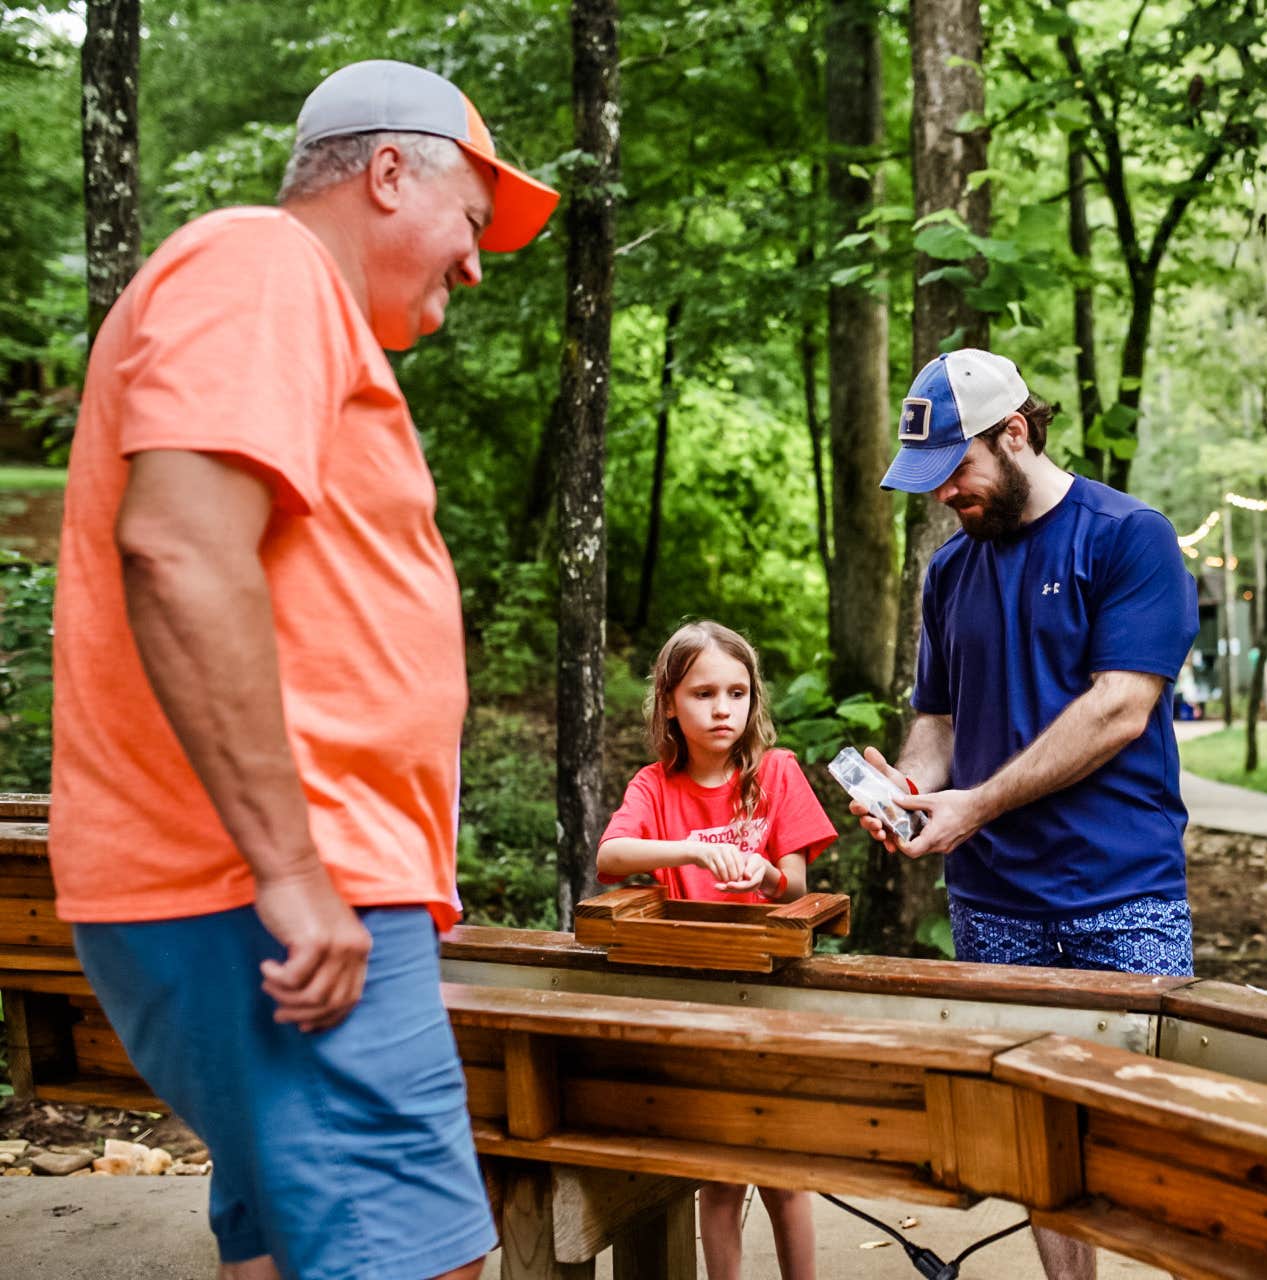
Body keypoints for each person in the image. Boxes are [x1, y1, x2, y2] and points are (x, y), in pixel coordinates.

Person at [48, 60, 556, 1280]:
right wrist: (293, 870)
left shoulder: (296, 311)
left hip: (284, 875)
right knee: (427, 1258)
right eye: (473, 224)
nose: (480, 265)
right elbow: (176, 543)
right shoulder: (262, 264)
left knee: (282, 1251)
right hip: (274, 876)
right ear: (388, 172)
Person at [853, 349, 1199, 1280]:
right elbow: (939, 717)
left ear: (1015, 434)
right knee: (1038, 1141)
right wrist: (916, 796)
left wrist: (978, 802)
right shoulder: (949, 571)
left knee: (1150, 1131)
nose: (944, 497)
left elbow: (1123, 705)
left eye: (955, 472)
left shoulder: (1130, 536)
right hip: (994, 897)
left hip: (1121, 891)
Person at [597, 620, 837, 1280]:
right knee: (721, 1177)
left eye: (737, 692)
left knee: (786, 1174)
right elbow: (611, 857)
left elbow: (795, 887)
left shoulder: (777, 773)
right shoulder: (655, 786)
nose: (723, 708)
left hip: (773, 996)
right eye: (703, 693)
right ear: (669, 701)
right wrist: (693, 848)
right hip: (698, 1000)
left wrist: (764, 875)